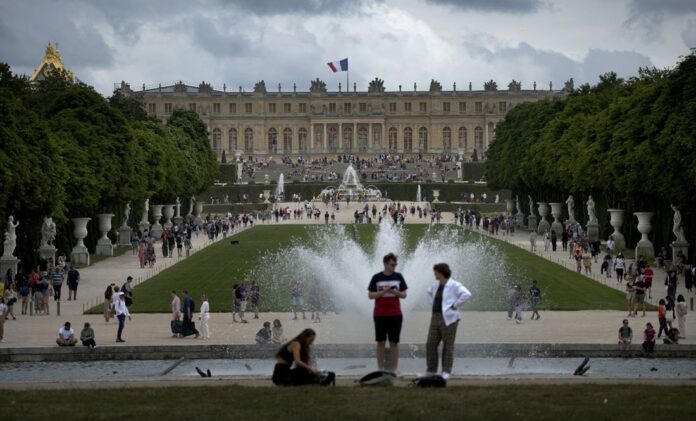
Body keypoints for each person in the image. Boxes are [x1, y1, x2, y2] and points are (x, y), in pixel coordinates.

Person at [425, 263, 472, 379]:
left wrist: (455, 305)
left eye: (435, 272)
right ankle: (431, 370)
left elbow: (467, 294)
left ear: (441, 272)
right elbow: (429, 292)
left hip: (450, 319)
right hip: (435, 317)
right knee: (430, 344)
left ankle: (446, 371)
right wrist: (434, 304)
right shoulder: (436, 284)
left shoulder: (454, 285)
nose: (434, 274)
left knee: (448, 345)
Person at [368, 253, 408, 373]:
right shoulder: (376, 277)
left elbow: (404, 295)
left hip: (395, 314)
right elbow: (370, 295)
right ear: (385, 263)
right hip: (380, 314)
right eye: (392, 264)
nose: (394, 266)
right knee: (380, 342)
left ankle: (394, 370)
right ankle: (380, 369)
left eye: (395, 264)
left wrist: (394, 292)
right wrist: (383, 292)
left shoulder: (399, 276)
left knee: (394, 343)